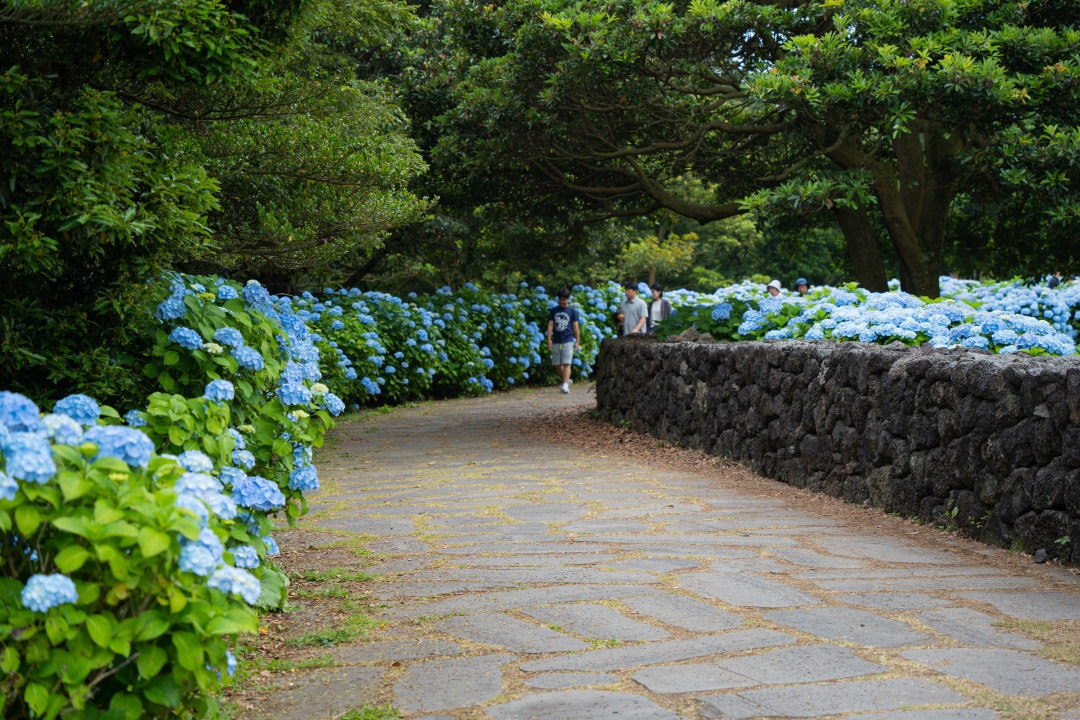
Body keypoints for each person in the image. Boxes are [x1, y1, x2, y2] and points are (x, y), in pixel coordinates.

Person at [547, 288, 580, 394]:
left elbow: (575, 327)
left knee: (566, 363)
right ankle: (567, 380)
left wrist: (577, 341)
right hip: (557, 340)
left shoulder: (572, 311)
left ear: (568, 299)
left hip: (568, 340)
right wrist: (549, 339)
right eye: (560, 299)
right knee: (557, 364)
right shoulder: (554, 311)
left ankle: (565, 385)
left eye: (564, 299)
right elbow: (550, 325)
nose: (562, 301)